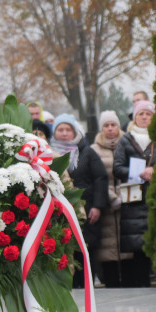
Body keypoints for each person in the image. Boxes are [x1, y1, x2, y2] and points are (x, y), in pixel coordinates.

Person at [51, 114, 108, 287]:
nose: (65, 133)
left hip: (85, 211)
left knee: (84, 252)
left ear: (75, 131)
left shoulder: (87, 151)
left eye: (68, 129)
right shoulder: (48, 152)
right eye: (60, 129)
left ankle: (86, 290)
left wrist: (98, 206)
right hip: (59, 214)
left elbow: (100, 178)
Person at [113, 100, 156, 286]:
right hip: (134, 199)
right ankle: (141, 285)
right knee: (137, 246)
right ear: (135, 117)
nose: (144, 117)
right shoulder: (126, 139)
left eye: (148, 114)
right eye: (141, 114)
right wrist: (138, 173)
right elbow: (117, 167)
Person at [91, 110, 128, 287]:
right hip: (106, 208)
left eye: (113, 125)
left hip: (127, 205)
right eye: (106, 125)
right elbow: (96, 178)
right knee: (108, 255)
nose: (110, 129)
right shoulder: (94, 150)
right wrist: (112, 197)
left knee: (128, 254)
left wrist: (124, 195)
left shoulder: (128, 144)